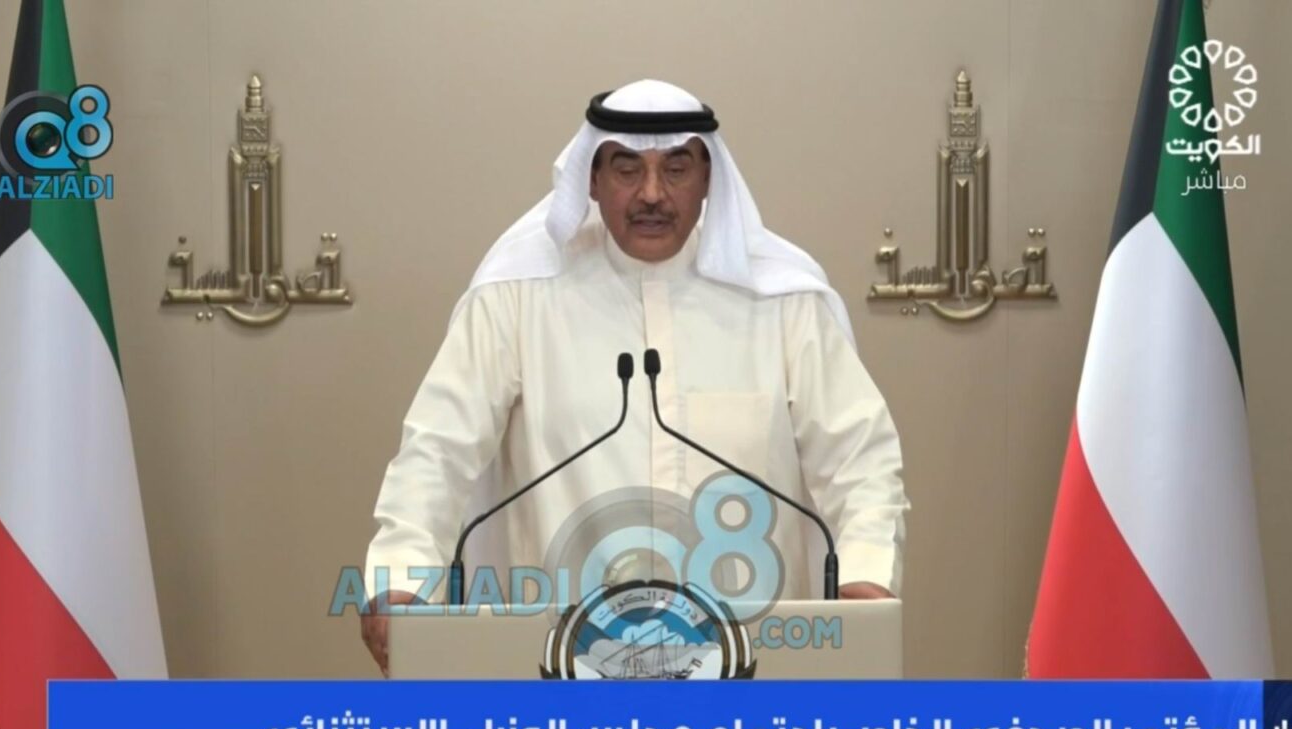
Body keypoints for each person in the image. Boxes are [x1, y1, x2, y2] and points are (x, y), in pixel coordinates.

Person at [360, 80, 908, 675]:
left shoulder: (783, 301)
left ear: (708, 177)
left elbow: (859, 458)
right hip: (562, 668)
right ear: (591, 179)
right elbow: (437, 450)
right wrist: (400, 574)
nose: (652, 194)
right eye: (627, 169)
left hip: (751, 669)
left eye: (676, 169)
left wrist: (865, 574)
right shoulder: (516, 297)